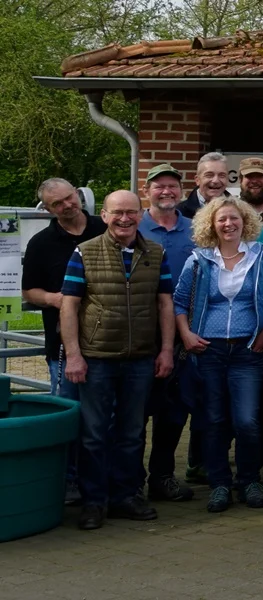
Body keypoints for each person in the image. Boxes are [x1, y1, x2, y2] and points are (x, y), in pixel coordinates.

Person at [61, 190, 176, 530]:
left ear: (141, 215)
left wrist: (166, 349)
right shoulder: (85, 251)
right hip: (96, 359)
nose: (124, 218)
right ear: (105, 216)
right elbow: (69, 305)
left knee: (131, 433)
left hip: (141, 358)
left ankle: (126, 496)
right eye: (117, 213)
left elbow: (165, 304)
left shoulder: (156, 253)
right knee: (94, 434)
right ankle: (94, 502)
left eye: (131, 212)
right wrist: (74, 356)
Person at [174, 197, 263, 513]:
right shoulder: (198, 260)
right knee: (213, 420)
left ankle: (249, 480)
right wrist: (186, 334)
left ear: (244, 222)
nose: (228, 224)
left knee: (248, 420)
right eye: (221, 219)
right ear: (212, 224)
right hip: (208, 351)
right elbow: (180, 302)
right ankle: (220, 484)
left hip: (248, 351)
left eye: (234, 218)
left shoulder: (261, 256)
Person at [139, 164, 201, 504]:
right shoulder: (134, 227)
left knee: (176, 411)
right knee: (137, 413)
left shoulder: (196, 230)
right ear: (147, 190)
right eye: (159, 186)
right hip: (140, 335)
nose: (166, 191)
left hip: (184, 337)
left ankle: (162, 476)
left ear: (181, 191)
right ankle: (131, 479)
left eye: (172, 186)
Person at [23, 179, 105, 405]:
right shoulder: (40, 243)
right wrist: (55, 299)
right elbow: (29, 291)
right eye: (57, 203)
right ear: (48, 209)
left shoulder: (107, 229)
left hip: (108, 340)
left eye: (69, 197)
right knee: (66, 406)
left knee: (107, 409)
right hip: (62, 343)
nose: (67, 205)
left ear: (77, 194)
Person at [179, 151, 228, 219]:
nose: (216, 180)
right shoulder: (179, 213)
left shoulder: (240, 211)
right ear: (197, 180)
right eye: (209, 175)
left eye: (222, 175)